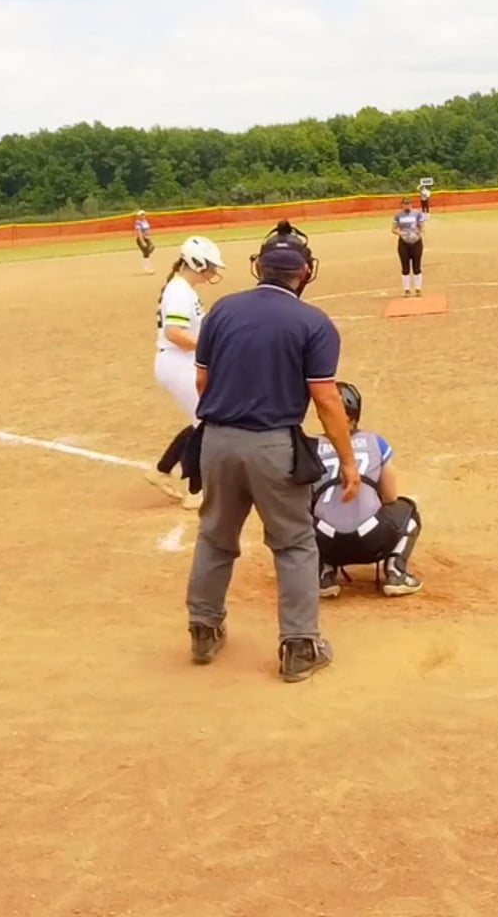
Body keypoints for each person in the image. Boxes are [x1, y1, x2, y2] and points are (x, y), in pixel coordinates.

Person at [182, 220, 358, 683]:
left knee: (215, 536)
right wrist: (348, 460)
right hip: (274, 445)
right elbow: (325, 399)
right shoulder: (313, 322)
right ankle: (299, 647)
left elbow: (201, 381)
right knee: (294, 543)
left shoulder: (222, 310)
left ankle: (203, 630)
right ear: (305, 272)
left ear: (258, 266)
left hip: (218, 441)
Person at [313, 382, 423, 598]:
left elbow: (300, 497)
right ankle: (396, 571)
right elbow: (390, 496)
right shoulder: (375, 441)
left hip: (326, 543)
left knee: (303, 515)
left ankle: (323, 573)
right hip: (372, 540)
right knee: (407, 509)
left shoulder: (311, 445)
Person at [145, 236, 226, 511]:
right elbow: (174, 333)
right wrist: (208, 349)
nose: (213, 271)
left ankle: (162, 470)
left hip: (181, 361)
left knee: (200, 420)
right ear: (197, 263)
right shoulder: (180, 291)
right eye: (210, 266)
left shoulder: (183, 288)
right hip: (178, 362)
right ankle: (196, 490)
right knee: (206, 423)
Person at [392, 196, 427, 296]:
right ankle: (406, 290)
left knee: (417, 266)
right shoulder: (398, 215)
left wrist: (418, 233)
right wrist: (401, 233)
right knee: (405, 266)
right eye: (405, 204)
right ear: (402, 205)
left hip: (416, 242)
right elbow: (393, 229)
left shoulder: (417, 213)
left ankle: (418, 289)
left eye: (408, 204)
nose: (407, 205)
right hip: (404, 242)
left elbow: (422, 226)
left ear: (411, 204)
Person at [133, 210, 155, 274]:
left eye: (143, 214)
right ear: (138, 216)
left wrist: (149, 236)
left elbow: (147, 230)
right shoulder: (138, 222)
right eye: (141, 215)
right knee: (146, 252)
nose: (143, 216)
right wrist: (142, 241)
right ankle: (147, 268)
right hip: (141, 239)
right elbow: (139, 232)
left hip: (147, 238)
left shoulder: (145, 221)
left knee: (152, 247)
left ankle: (145, 261)